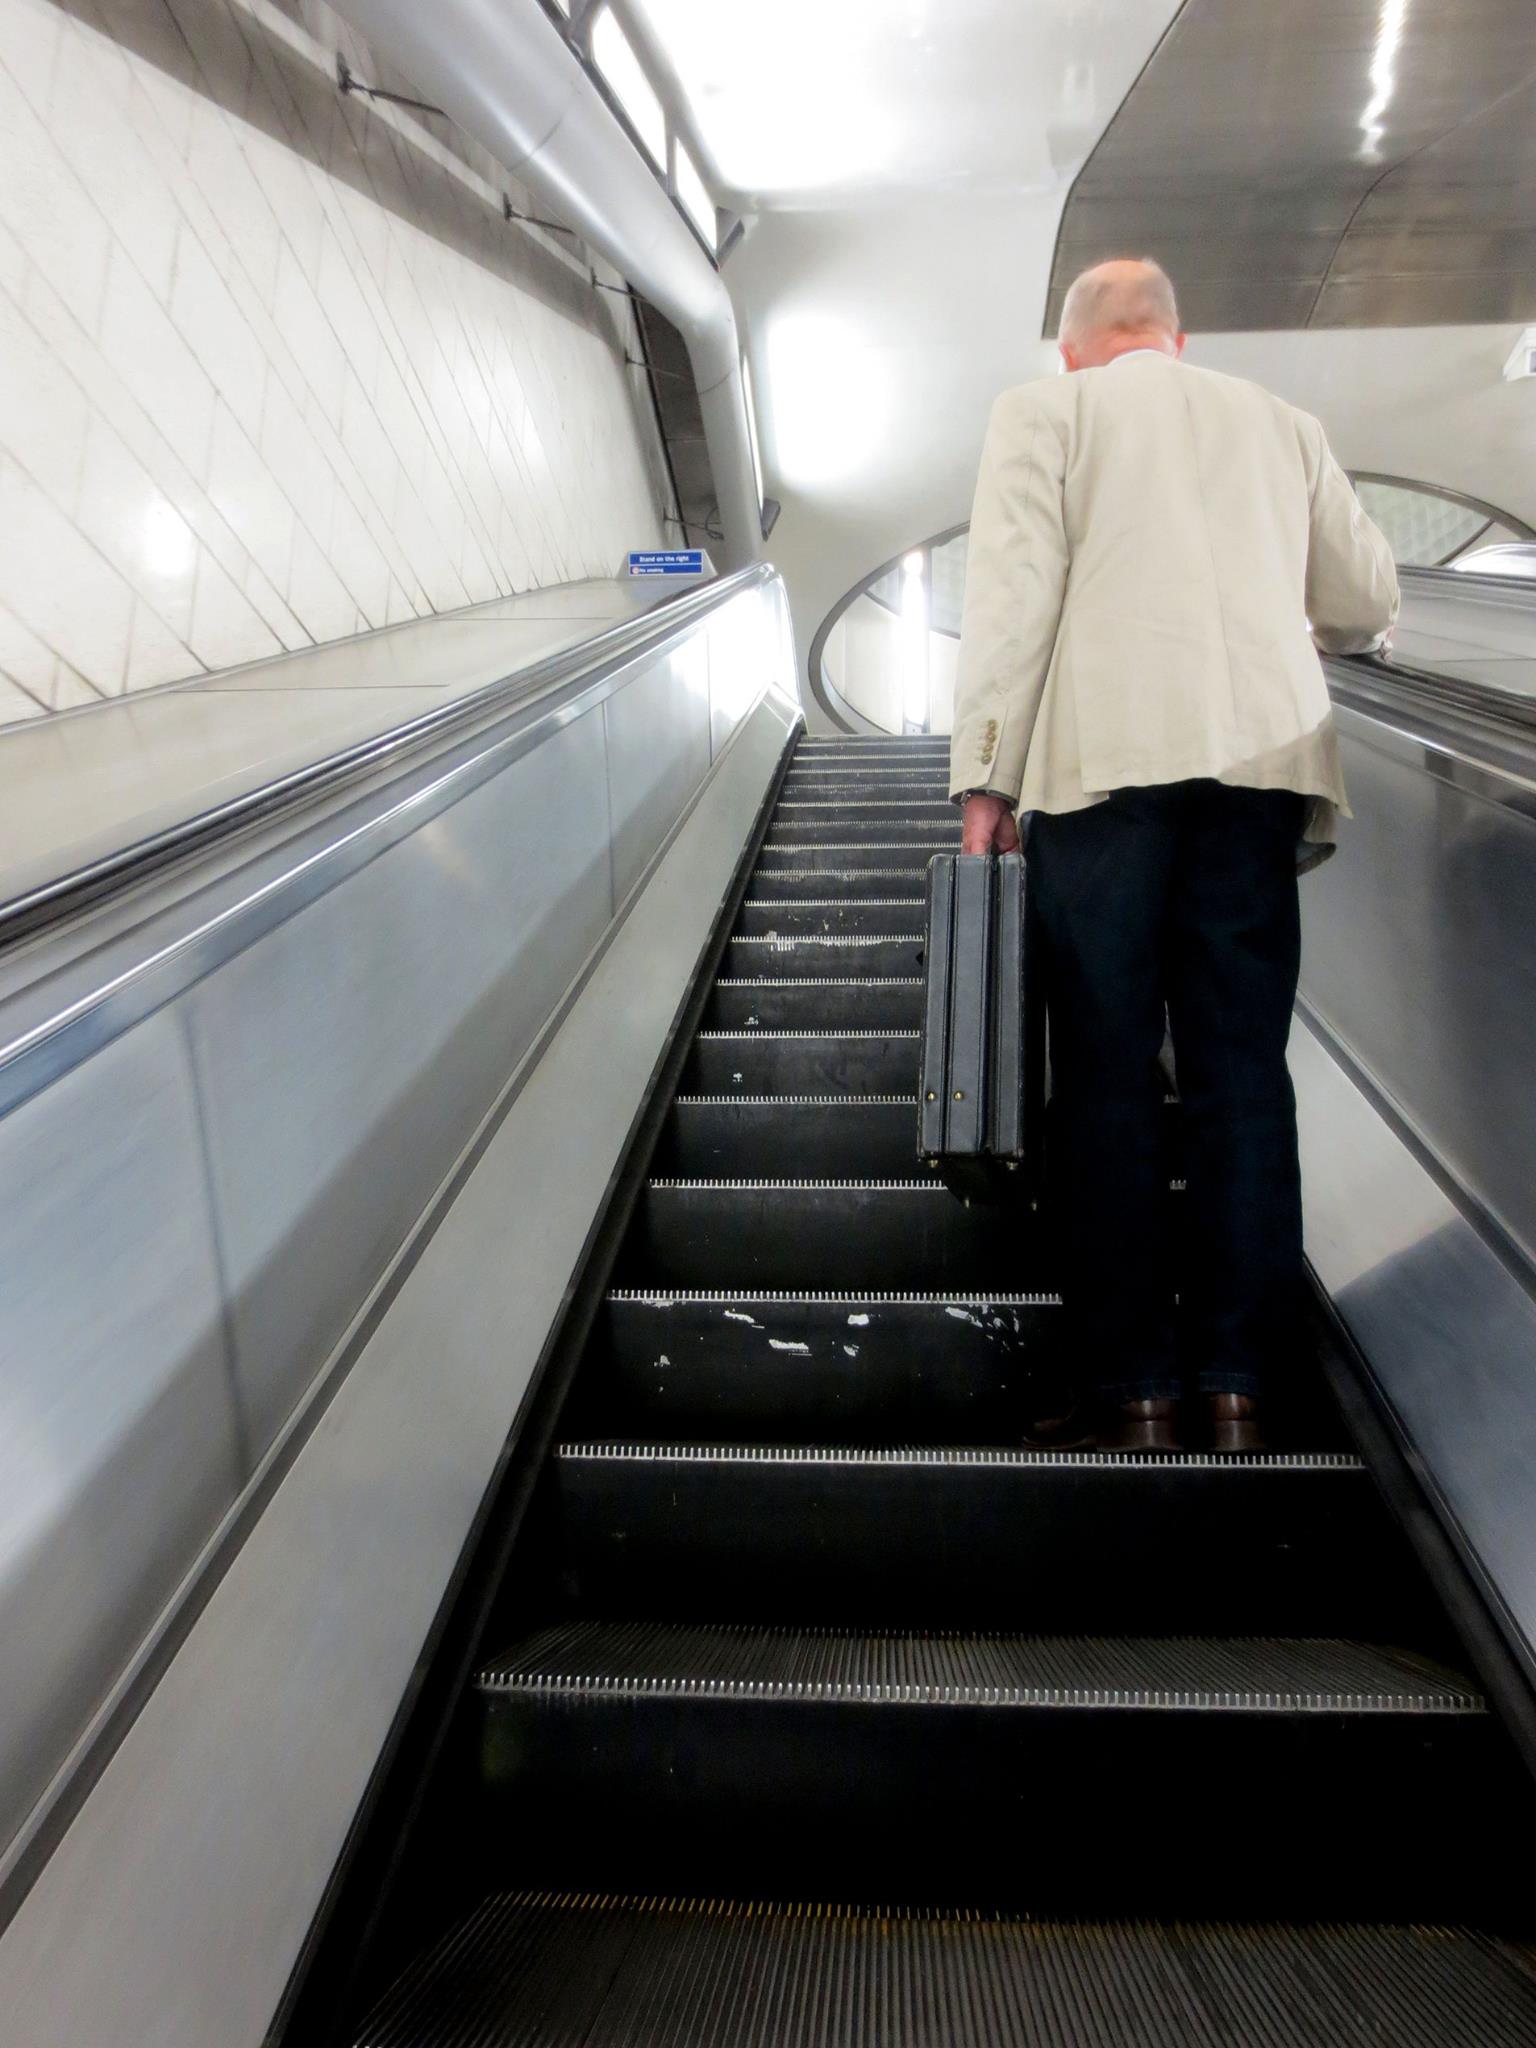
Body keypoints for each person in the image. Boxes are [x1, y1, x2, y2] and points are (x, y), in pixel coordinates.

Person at [949, 258, 1398, 1453]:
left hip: (1103, 769)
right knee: (1242, 1072)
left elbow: (1013, 595)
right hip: (1259, 769)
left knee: (1103, 1077)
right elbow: (1366, 592)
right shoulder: (1280, 423)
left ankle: (1134, 1387)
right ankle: (1243, 1382)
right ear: (1178, 340)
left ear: (1072, 349)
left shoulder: (1045, 413)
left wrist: (985, 778)